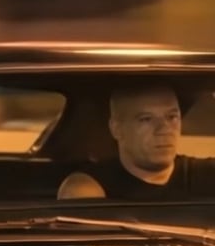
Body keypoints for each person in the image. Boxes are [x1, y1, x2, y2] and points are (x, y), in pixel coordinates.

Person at [58, 84, 215, 200]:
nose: (164, 129)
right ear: (117, 129)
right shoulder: (90, 189)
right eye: (146, 119)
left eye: (172, 117)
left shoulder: (207, 175)